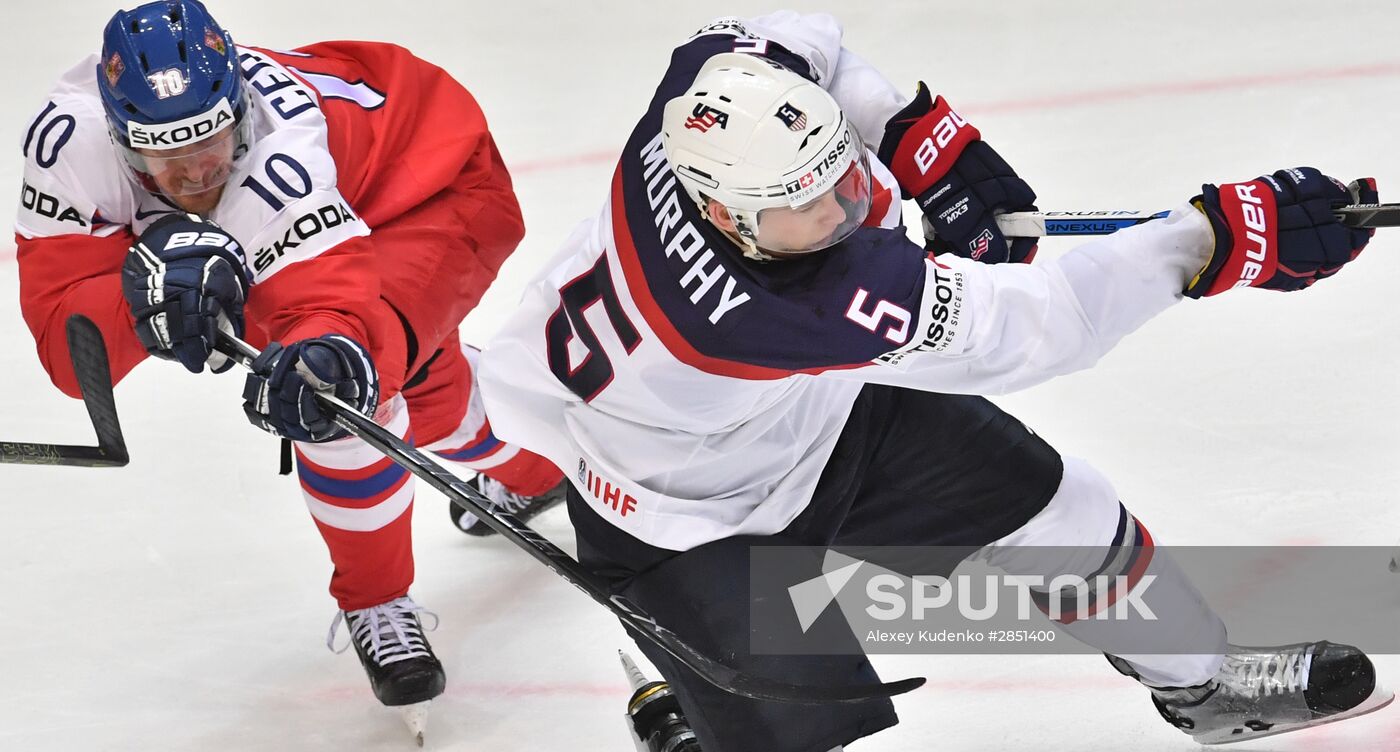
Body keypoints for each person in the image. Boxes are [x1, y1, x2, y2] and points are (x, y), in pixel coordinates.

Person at [476, 12, 1391, 751]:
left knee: (1066, 512)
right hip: (687, 515)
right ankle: (669, 685)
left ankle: (1202, 686)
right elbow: (1043, 328)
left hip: (807, 411)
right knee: (786, 734)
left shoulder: (706, 106)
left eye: (840, 171)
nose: (844, 209)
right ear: (725, 213)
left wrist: (922, 139)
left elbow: (794, 34)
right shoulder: (769, 307)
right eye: (808, 205)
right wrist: (1214, 240)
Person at [14, 0, 566, 724]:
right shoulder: (67, 146)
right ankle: (552, 464)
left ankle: (379, 605)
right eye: (163, 158)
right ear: (118, 137)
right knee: (426, 397)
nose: (195, 176)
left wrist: (327, 350)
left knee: (334, 395)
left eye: (212, 143)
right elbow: (66, 346)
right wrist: (141, 299)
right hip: (352, 198)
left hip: (430, 190)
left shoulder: (283, 153)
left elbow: (327, 318)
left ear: (240, 107)